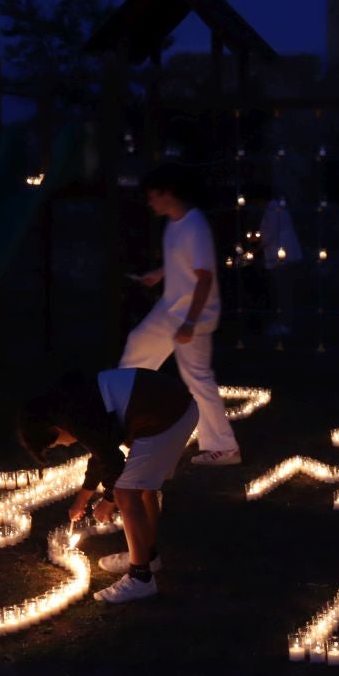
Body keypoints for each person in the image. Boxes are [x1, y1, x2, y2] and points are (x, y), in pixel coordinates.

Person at [17, 363, 199, 605]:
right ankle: (147, 555)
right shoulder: (75, 404)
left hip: (165, 416)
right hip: (174, 410)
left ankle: (140, 577)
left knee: (126, 492)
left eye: (56, 443)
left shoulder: (76, 416)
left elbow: (113, 461)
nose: (64, 445)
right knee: (143, 487)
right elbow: (101, 453)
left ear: (53, 429)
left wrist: (109, 500)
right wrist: (80, 502)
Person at [118, 164, 239, 467]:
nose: (150, 202)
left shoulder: (194, 225)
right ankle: (118, 424)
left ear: (167, 194)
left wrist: (190, 322)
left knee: (197, 379)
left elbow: (205, 278)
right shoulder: (175, 223)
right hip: (171, 307)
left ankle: (224, 448)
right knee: (137, 347)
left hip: (190, 315)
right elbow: (183, 261)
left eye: (153, 196)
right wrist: (160, 274)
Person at [258, 197, 303, 337]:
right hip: (284, 256)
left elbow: (270, 234)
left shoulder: (273, 210)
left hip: (282, 258)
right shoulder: (277, 208)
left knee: (283, 291)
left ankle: (285, 324)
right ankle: (283, 322)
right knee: (283, 291)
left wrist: (256, 247)